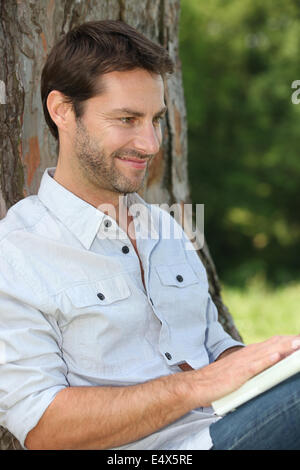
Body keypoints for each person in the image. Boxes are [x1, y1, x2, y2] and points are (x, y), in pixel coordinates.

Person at [0, 19, 300, 451]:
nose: (150, 143)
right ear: (62, 110)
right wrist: (196, 386)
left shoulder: (166, 228)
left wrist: (275, 360)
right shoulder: (17, 252)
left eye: (155, 119)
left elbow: (214, 348)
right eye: (127, 119)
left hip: (227, 427)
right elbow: (43, 428)